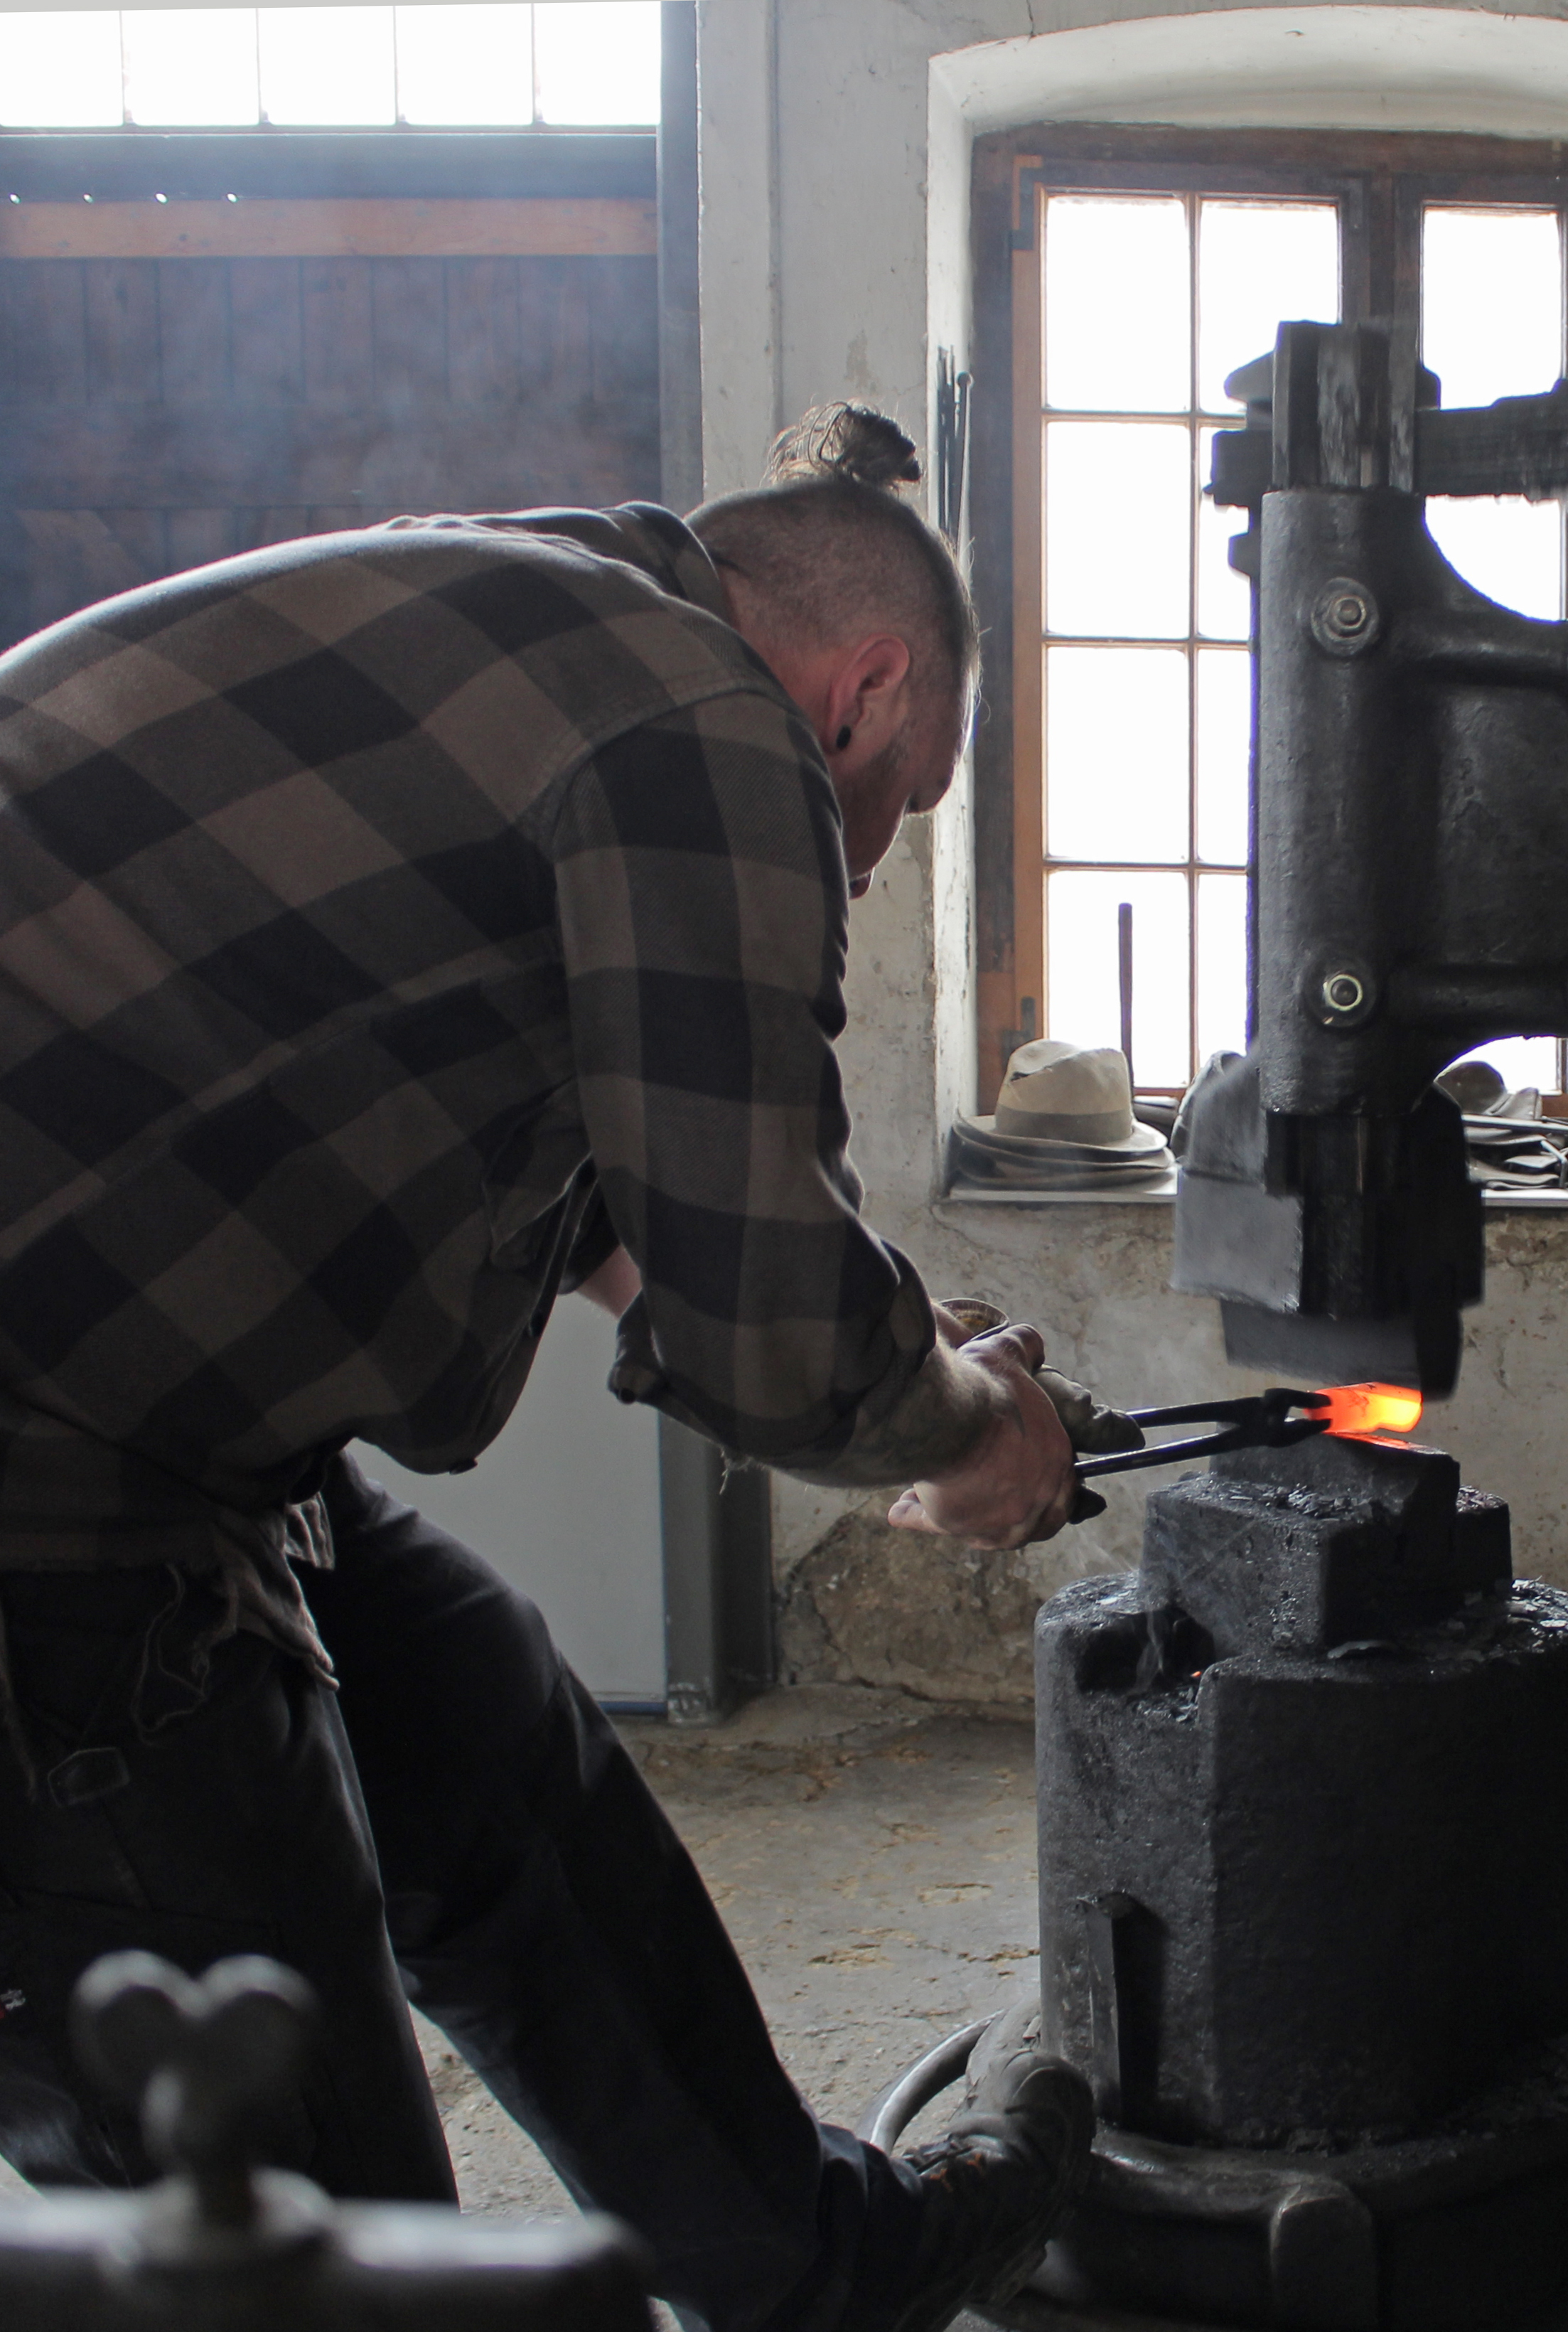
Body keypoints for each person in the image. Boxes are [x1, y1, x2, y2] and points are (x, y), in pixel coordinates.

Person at [0, 404, 1094, 2332]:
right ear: (866, 692)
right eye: (897, 810)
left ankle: (806, 2270)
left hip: (156, 1419)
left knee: (489, 1740)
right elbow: (771, 1337)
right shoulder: (698, 727)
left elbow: (563, 1151)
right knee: (307, 2237)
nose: (863, 860)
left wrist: (895, 1356)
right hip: (48, 1504)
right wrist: (962, 1431)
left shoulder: (517, 603)